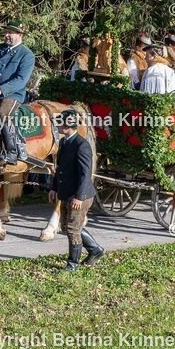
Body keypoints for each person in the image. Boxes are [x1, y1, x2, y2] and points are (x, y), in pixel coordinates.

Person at [48, 109, 103, 271]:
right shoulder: (65, 142)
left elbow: (85, 174)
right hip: (67, 192)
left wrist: (79, 197)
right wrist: (54, 188)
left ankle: (72, 264)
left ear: (68, 126)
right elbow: (60, 169)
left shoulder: (82, 145)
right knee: (67, 227)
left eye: (60, 123)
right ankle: (95, 250)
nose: (57, 126)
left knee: (72, 230)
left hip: (80, 195)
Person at [0, 20, 35, 165]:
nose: (6, 35)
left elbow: (21, 80)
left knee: (2, 113)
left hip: (12, 94)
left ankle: (11, 151)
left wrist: (1, 89)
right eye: (5, 32)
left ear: (20, 34)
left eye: (9, 32)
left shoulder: (27, 55)